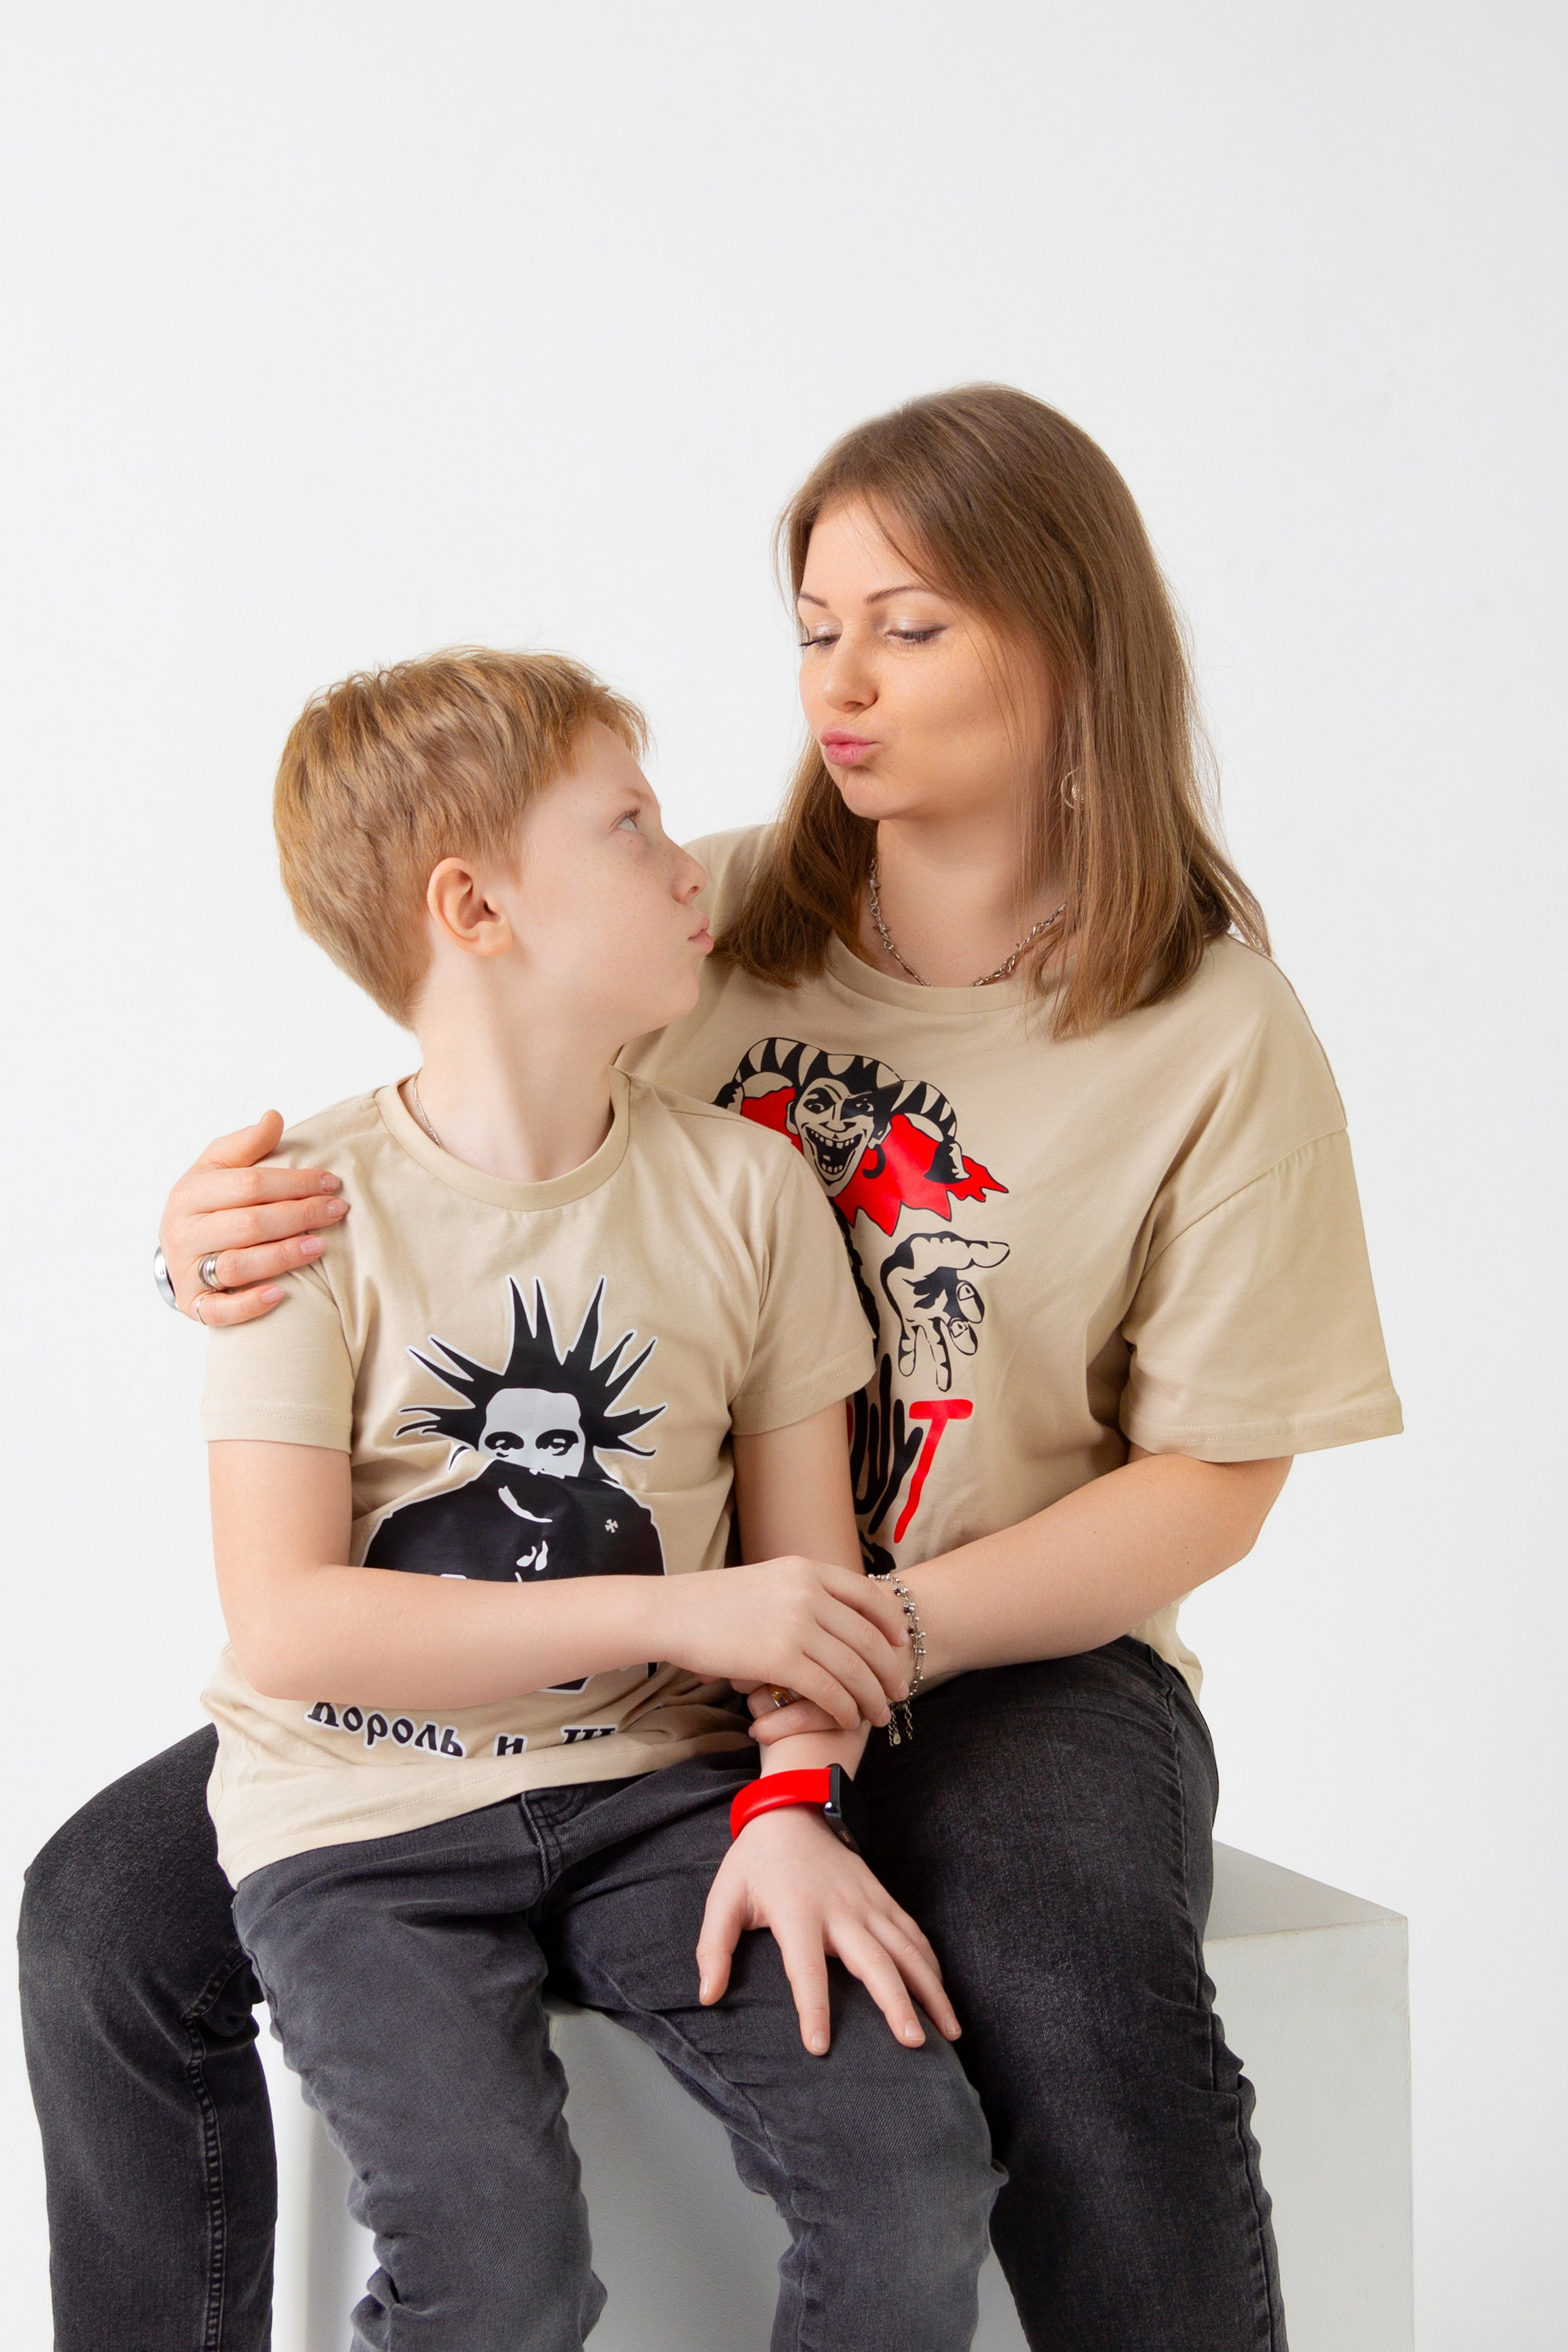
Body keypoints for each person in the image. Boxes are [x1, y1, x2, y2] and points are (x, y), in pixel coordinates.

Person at [21, 386, 1402, 2352]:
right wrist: (205, 1242)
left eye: (909, 627)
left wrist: (866, 1635)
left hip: (1001, 1643)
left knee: (1069, 1988)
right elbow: (451, 1152)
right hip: (628, 1628)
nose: (842, 681)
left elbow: (1216, 1481)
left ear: (1070, 641)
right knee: (98, 1921)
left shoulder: (1215, 1031)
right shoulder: (704, 911)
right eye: (817, 626)